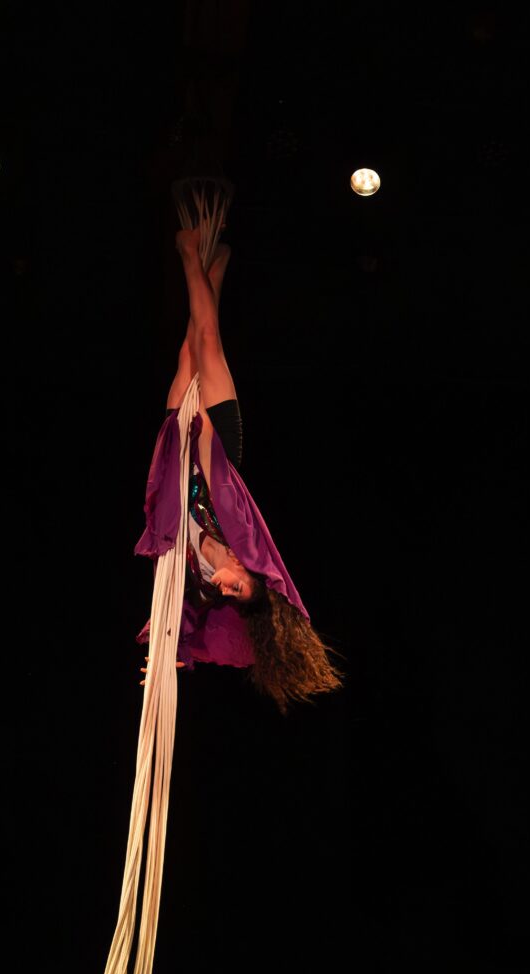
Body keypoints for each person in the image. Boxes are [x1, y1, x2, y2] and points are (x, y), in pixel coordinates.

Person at [136, 225, 342, 715]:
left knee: (188, 350)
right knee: (207, 340)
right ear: (248, 568)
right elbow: (218, 478)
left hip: (177, 452)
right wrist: (199, 423)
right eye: (240, 585)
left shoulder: (199, 580)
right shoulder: (239, 534)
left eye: (231, 594)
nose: (227, 588)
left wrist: (171, 656)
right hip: (216, 443)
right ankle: (190, 250)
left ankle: (216, 264)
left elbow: (182, 623)